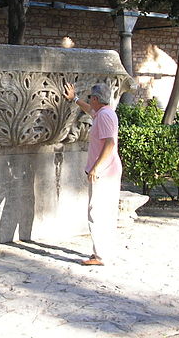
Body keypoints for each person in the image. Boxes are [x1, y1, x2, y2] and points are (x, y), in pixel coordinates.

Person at [64, 82, 122, 266]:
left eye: (91, 97)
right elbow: (90, 110)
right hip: (109, 170)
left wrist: (96, 168)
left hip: (104, 172)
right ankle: (106, 251)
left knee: (96, 212)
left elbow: (110, 144)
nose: (90, 100)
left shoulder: (104, 116)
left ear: (96, 98)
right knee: (106, 211)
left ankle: (100, 256)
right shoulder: (105, 112)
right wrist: (75, 99)